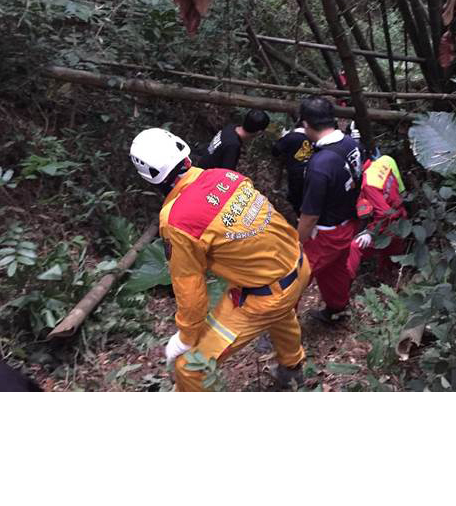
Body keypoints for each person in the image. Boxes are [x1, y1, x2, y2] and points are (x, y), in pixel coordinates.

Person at [129, 127, 311, 391]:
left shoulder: (176, 220)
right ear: (186, 155)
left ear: (149, 178)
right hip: (299, 265)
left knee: (189, 368)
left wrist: (186, 338)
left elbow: (190, 288)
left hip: (266, 295)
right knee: (282, 316)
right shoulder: (224, 175)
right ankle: (292, 370)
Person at [295, 98, 363, 326]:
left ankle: (281, 329)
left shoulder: (320, 165)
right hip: (346, 224)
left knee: (292, 277)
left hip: (324, 234)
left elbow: (310, 214)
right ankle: (337, 309)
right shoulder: (350, 144)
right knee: (334, 271)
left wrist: (296, 242)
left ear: (306, 124)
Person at [346, 152, 409, 283]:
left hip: (389, 224)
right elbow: (402, 190)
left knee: (355, 246)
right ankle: (389, 279)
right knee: (389, 262)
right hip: (402, 218)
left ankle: (346, 281)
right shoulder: (387, 160)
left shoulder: (368, 184)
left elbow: (385, 213)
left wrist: (370, 232)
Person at [198, 109, 270, 170]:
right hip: (204, 175)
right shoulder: (233, 145)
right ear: (259, 132)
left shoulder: (231, 128)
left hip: (201, 165)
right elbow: (227, 174)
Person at [271, 122, 313, 217]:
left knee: (296, 197)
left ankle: (299, 217)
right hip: (312, 171)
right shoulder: (314, 136)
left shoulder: (290, 137)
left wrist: (282, 139)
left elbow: (275, 151)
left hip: (296, 173)